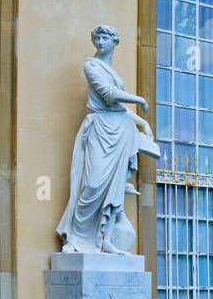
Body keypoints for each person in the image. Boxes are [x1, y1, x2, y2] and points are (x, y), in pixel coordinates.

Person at [57, 25, 153, 254]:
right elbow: (108, 94)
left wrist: (143, 123)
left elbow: (118, 107)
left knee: (115, 189)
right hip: (100, 129)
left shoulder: (113, 72)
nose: (100, 42)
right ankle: (75, 238)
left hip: (120, 131)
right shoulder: (91, 66)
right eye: (97, 37)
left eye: (105, 38)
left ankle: (105, 240)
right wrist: (139, 99)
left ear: (114, 42)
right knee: (91, 185)